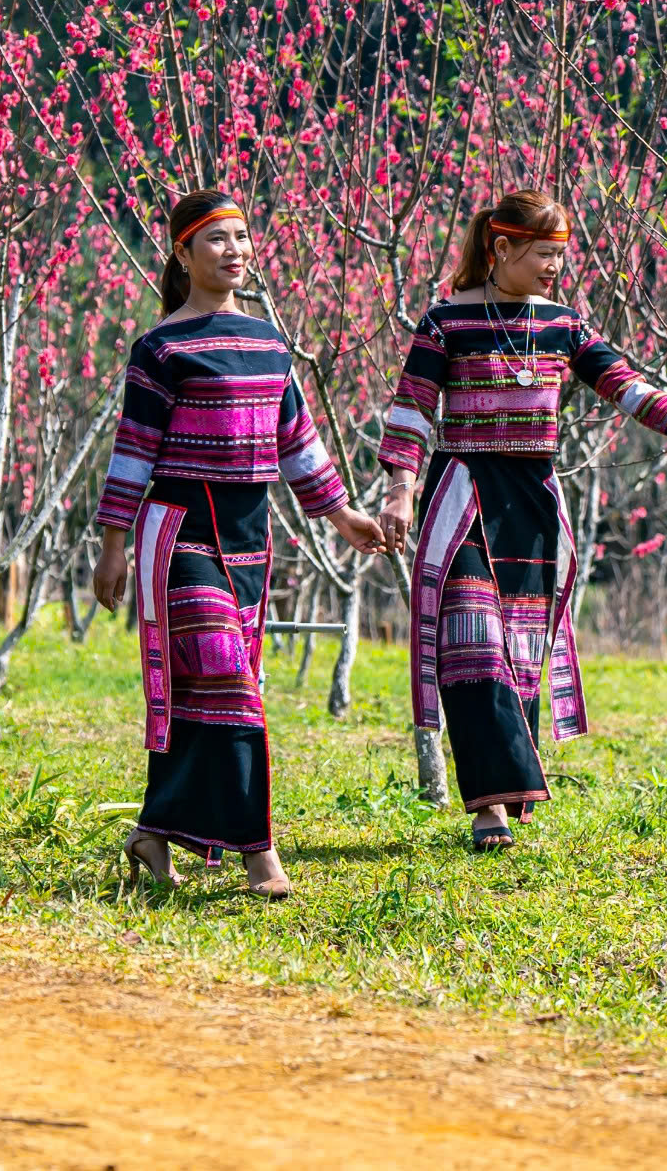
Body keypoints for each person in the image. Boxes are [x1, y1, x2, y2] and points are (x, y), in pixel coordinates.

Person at [375, 190, 667, 849]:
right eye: (544, 255)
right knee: (472, 639)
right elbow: (412, 409)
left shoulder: (564, 325)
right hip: (462, 490)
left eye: (561, 255)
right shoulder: (445, 322)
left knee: (519, 647)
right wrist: (400, 489)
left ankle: (509, 791)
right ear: (502, 249)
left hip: (531, 498)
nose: (556, 267)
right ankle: (491, 806)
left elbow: (626, 386)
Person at [91, 191, 388, 898]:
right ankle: (261, 854)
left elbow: (297, 442)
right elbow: (133, 452)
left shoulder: (269, 343)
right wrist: (111, 544)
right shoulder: (159, 349)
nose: (234, 250)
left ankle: (153, 835)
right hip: (180, 530)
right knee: (230, 681)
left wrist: (343, 516)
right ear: (182, 254)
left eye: (242, 237)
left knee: (208, 694)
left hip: (252, 538)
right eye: (216, 240)